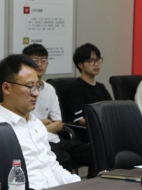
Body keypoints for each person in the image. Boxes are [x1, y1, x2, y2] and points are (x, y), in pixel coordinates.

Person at [0, 54, 80, 190]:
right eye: (29, 86)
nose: (36, 93)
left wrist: (79, 184)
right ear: (7, 88)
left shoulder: (36, 123)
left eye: (37, 86)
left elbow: (52, 166)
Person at [22, 43, 92, 172]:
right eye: (35, 60)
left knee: (94, 152)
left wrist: (39, 125)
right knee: (63, 158)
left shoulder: (49, 89)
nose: (39, 64)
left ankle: (96, 183)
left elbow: (59, 124)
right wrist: (46, 122)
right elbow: (24, 125)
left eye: (43, 60)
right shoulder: (21, 89)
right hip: (35, 142)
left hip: (55, 139)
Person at [65, 43, 112, 125]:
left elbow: (112, 109)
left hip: (106, 126)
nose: (96, 64)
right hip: (89, 129)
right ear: (80, 65)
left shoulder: (101, 87)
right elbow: (80, 120)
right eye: (91, 61)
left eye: (97, 60)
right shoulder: (75, 88)